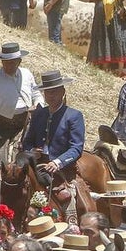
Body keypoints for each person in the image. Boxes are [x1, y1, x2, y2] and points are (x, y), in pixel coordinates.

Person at [21, 70, 85, 223]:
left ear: (62, 92)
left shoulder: (74, 116)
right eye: (47, 92)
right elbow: (27, 142)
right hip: (37, 166)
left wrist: (58, 162)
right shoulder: (38, 114)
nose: (51, 95)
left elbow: (76, 147)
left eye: (55, 91)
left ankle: (73, 221)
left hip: (62, 168)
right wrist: (31, 152)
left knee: (70, 196)